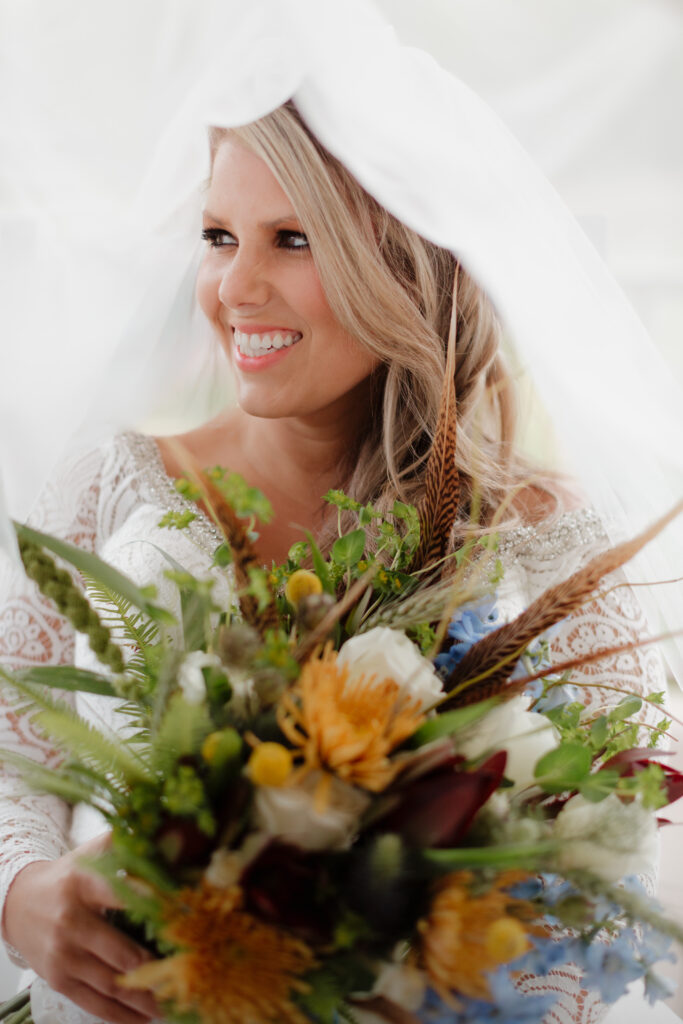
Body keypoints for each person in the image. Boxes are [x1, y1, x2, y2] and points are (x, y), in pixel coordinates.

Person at [0, 92, 669, 1024]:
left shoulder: (541, 533)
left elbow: (620, 843)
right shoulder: (106, 485)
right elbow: (8, 757)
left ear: (404, 262)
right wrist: (20, 895)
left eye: (294, 240)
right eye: (219, 236)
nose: (234, 288)